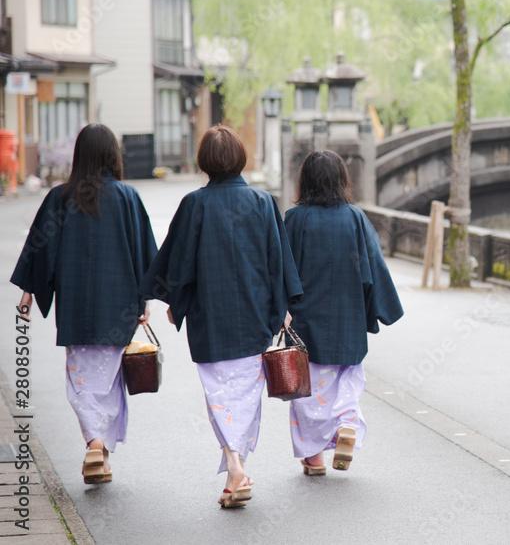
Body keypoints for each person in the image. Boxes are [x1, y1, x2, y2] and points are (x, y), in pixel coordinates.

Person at [138, 125, 301, 508]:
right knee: (244, 395)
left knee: (219, 396)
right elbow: (279, 262)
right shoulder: (262, 203)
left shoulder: (195, 204)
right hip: (255, 315)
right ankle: (236, 467)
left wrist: (174, 301)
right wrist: (283, 309)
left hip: (210, 318)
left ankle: (234, 467)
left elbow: (177, 264)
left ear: (205, 162)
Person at [11, 124, 157, 485]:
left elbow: (39, 253)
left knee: (82, 380)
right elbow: (145, 254)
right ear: (112, 155)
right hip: (118, 308)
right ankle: (98, 447)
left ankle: (97, 450)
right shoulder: (128, 198)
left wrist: (28, 292)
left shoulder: (60, 198)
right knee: (108, 381)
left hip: (76, 310)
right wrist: (145, 298)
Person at [284, 150, 403, 475]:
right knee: (346, 383)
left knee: (308, 393)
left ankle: (314, 457)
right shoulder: (354, 217)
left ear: (305, 180)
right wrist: (383, 309)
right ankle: (346, 425)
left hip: (305, 325)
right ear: (341, 180)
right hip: (348, 321)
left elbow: (280, 270)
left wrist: (276, 310)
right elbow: (373, 268)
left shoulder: (295, 220)